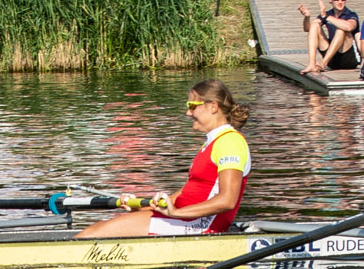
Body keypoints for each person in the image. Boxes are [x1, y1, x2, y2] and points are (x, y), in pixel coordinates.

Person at [75, 81, 252, 239]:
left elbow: (227, 200)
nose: (188, 113)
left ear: (213, 106)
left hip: (199, 225)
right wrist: (141, 206)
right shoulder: (213, 142)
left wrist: (176, 212)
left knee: (89, 236)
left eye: (192, 106)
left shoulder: (230, 142)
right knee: (94, 232)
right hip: (182, 218)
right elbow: (183, 195)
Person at [298, 0, 359, 74]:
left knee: (341, 30)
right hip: (332, 59)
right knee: (315, 25)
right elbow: (308, 29)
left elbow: (349, 26)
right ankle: (311, 63)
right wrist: (307, 17)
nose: (340, 2)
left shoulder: (351, 14)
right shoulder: (327, 14)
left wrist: (326, 17)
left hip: (348, 60)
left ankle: (323, 63)